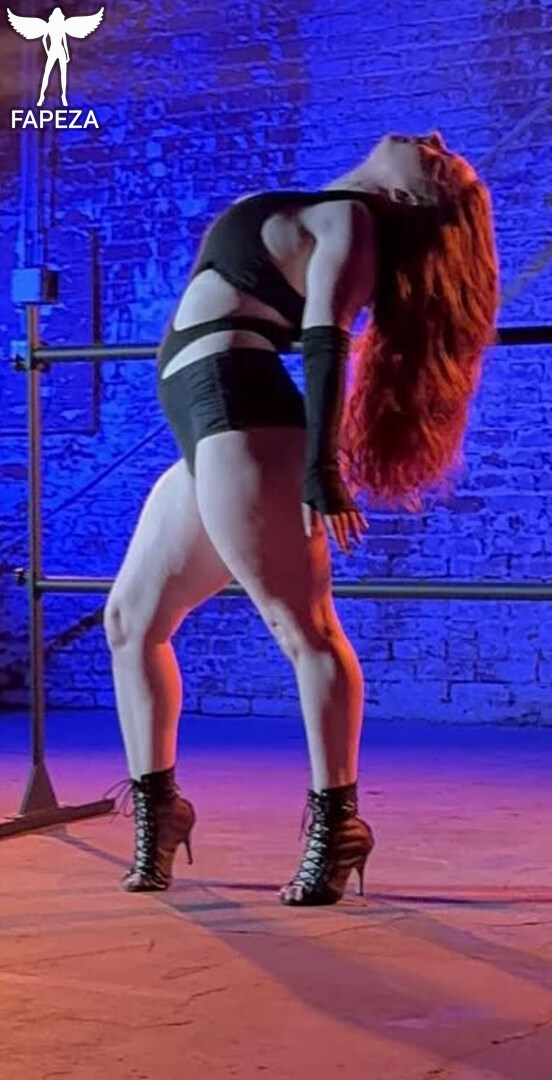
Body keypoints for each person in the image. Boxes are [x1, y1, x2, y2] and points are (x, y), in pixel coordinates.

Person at [103, 132, 499, 905]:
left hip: (242, 415)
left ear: (410, 196)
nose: (434, 142)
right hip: (209, 424)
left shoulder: (352, 222)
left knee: (304, 630)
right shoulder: (325, 206)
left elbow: (326, 344)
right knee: (130, 622)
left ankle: (338, 825)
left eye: (441, 163)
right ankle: (160, 812)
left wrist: (321, 470)